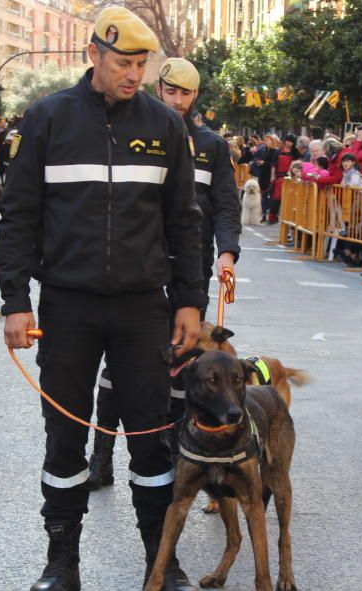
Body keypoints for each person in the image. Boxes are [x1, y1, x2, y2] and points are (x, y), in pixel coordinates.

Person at [0, 7, 206, 591]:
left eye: (142, 65)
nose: (134, 75)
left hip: (145, 308)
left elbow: (183, 222)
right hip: (67, 304)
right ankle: (61, 563)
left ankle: (161, 568)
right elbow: (20, 215)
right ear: (94, 55)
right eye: (123, 63)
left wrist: (190, 301)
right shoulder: (48, 119)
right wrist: (15, 300)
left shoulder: (166, 125)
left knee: (151, 440)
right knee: (65, 437)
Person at [87, 57, 242, 490]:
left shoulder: (212, 146)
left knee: (185, 372)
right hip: (140, 275)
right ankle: (101, 458)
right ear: (160, 89)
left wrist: (227, 253)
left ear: (196, 97)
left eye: (186, 94)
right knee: (117, 371)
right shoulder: (136, 134)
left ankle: (177, 461)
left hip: (188, 280)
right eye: (171, 91)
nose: (177, 101)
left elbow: (227, 205)